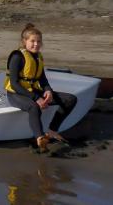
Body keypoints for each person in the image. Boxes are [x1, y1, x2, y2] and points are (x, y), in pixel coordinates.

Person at [5, 23, 77, 151]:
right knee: (34, 106)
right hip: (16, 93)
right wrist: (36, 98)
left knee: (70, 99)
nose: (36, 44)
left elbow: (42, 78)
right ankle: (39, 138)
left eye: (39, 41)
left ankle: (52, 130)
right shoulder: (17, 57)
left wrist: (48, 90)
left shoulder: (38, 56)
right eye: (32, 41)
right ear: (24, 41)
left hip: (33, 91)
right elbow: (15, 84)